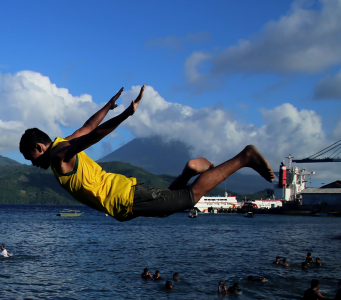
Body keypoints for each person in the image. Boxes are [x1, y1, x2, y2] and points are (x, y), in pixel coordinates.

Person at [19, 85, 274, 221]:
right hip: (124, 199)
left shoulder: (56, 155)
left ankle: (245, 157)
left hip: (124, 197)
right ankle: (189, 170)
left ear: (39, 148)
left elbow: (93, 135)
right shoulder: (62, 144)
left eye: (30, 157)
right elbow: (88, 126)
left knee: (189, 197)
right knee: (167, 209)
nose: (32, 163)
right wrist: (107, 107)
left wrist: (124, 115)